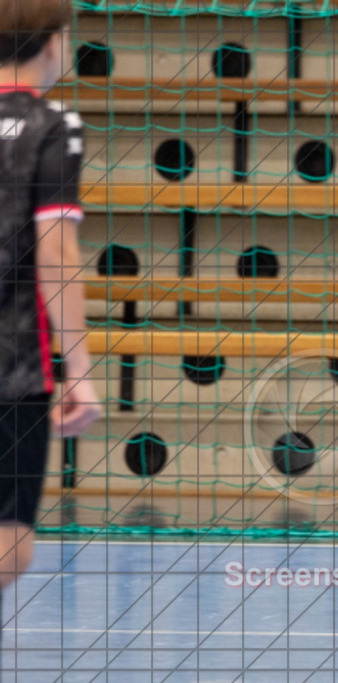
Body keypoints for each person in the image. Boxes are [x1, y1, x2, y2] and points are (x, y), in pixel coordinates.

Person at [0, 0, 100, 626]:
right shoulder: (51, 124)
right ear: (53, 42)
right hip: (13, 369)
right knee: (9, 538)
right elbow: (57, 251)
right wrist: (81, 370)